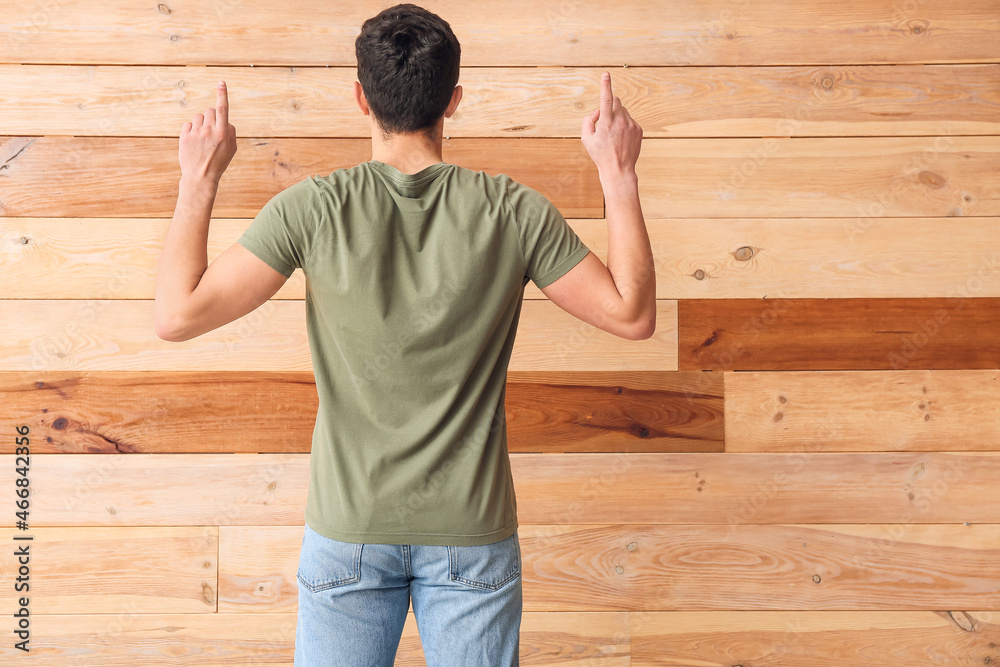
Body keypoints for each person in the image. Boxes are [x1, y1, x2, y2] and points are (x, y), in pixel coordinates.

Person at [154, 4, 653, 665]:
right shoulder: (512, 210)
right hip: (470, 535)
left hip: (350, 530)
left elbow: (177, 315)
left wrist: (199, 177)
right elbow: (630, 312)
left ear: (360, 98)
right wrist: (617, 171)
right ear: (454, 100)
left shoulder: (315, 208)